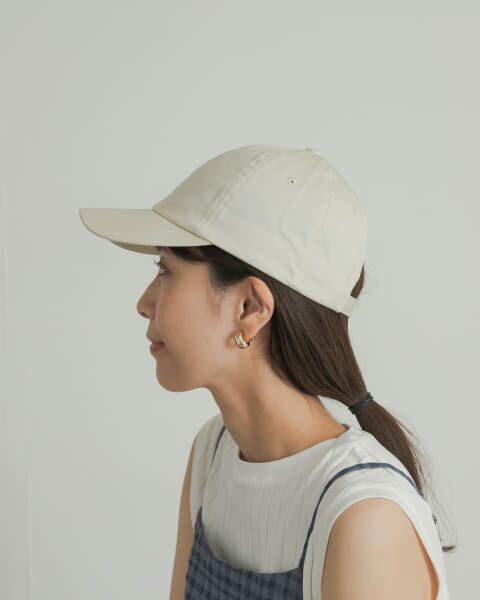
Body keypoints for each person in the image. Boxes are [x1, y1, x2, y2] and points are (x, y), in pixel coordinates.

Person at [79, 144, 453, 599]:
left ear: (250, 308)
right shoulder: (213, 452)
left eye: (166, 270)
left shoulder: (365, 516)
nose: (144, 303)